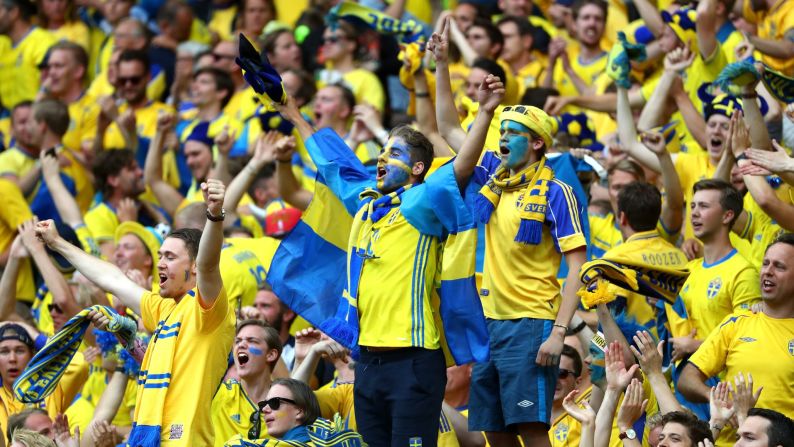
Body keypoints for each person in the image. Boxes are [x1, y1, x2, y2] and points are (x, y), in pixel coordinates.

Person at [271, 46, 500, 443]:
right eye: (381, 152)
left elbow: (463, 164)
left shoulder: (423, 200)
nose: (381, 159)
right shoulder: (366, 202)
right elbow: (331, 162)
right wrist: (291, 111)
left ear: (416, 168)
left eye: (394, 153)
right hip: (367, 361)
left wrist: (483, 113)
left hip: (413, 358)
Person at [34, 178, 236, 446]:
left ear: (195, 266)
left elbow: (210, 265)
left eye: (171, 258)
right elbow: (112, 279)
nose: (161, 264)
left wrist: (213, 215)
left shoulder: (207, 308)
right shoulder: (163, 308)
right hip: (146, 437)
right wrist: (57, 243)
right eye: (160, 256)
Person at [678, 234, 794, 444]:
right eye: (766, 263)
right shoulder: (736, 323)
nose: (767, 271)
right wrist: (714, 398)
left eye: (779, 267)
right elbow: (687, 378)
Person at [212, 320, 283, 446]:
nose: (241, 345)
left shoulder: (286, 405)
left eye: (252, 341)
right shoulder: (217, 392)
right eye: (238, 341)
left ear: (271, 354)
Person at [0, 0, 56, 110]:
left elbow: (53, 86)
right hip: (7, 119)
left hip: (36, 116)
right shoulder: (2, 43)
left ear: (14, 12)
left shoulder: (43, 42)